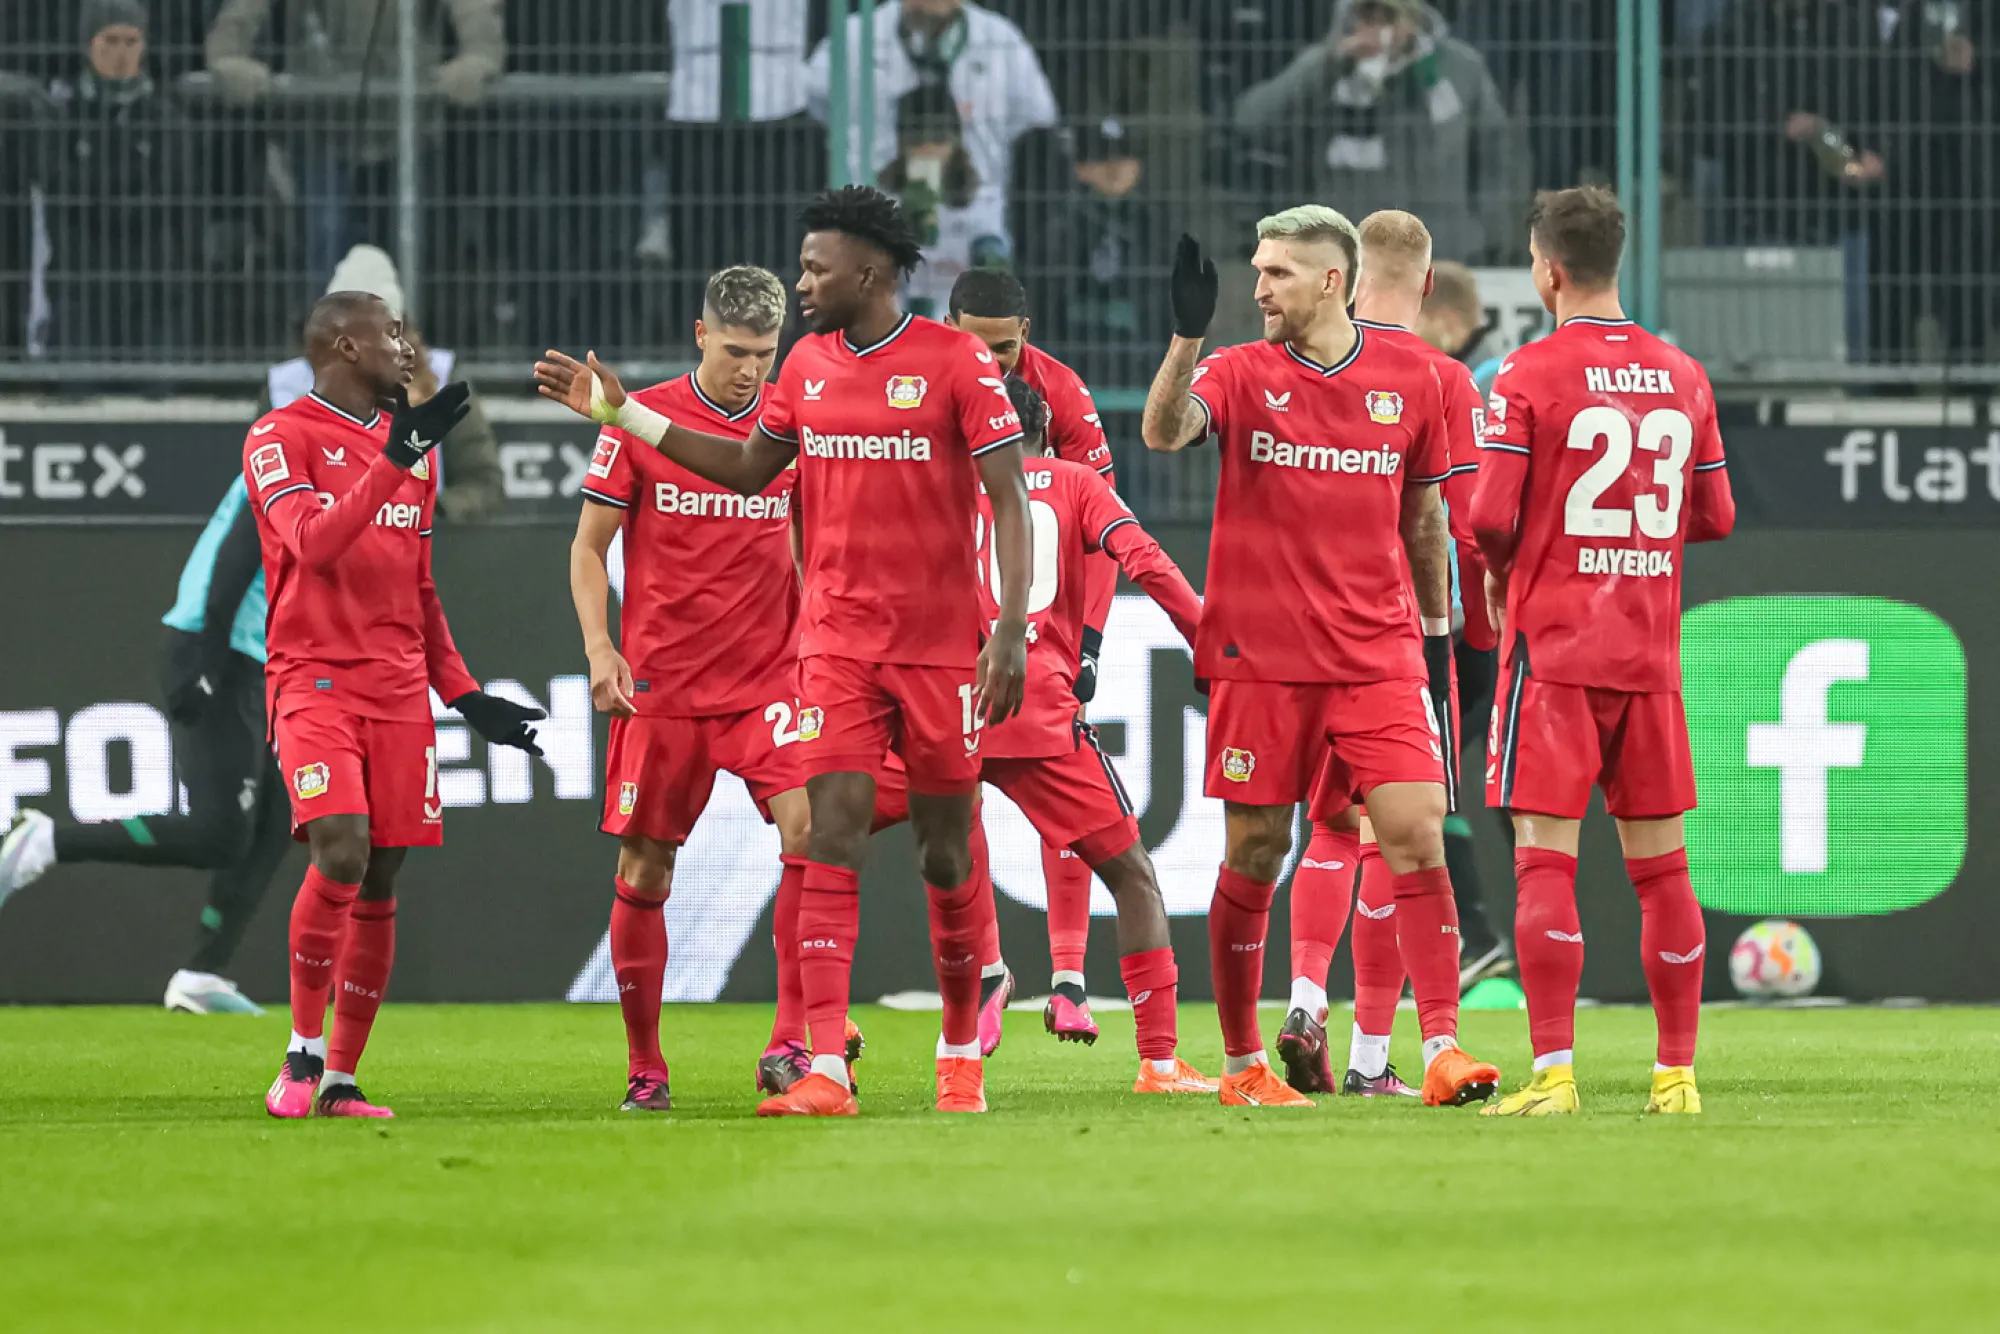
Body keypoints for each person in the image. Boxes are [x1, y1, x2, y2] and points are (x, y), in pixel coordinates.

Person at [535, 186, 1033, 1118]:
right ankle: (818, 1064)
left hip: (918, 652)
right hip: (815, 654)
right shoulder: (807, 368)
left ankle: (961, 1042)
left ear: (868, 273)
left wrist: (1008, 628)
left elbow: (1007, 495)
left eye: (814, 267)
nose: (801, 283)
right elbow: (742, 468)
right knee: (820, 835)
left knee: (945, 851)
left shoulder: (955, 360)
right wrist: (625, 417)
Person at [1140, 208, 1502, 1110]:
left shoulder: (1415, 379)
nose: (1259, 288)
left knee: (1415, 832)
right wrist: (1186, 336)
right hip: (1261, 659)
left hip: (1379, 652)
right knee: (1259, 848)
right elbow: (1165, 431)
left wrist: (1433, 639)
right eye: (1257, 271)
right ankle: (1241, 1064)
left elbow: (1424, 519)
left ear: (1332, 280)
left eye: (1278, 273)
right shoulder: (1239, 369)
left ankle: (1443, 1046)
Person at [1470, 186, 1736, 1117]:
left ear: (1548, 270)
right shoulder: (1684, 374)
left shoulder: (1525, 373)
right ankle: (1676, 1078)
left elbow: (1487, 515)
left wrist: (1508, 569)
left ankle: (1554, 1076)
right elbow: (1716, 515)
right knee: (1663, 871)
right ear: (1613, 262)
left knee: (1545, 861)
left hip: (1554, 654)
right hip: (1647, 660)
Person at [248, 292, 543, 1120]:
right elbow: (314, 543)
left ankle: (340, 1080)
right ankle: (302, 1055)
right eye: (393, 333)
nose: (410, 348)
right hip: (314, 681)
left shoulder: (414, 453)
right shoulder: (278, 437)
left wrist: (467, 696)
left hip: (400, 692)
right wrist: (397, 456)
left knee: (381, 872)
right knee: (341, 849)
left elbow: (419, 589)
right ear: (346, 345)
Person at [1275, 209, 1509, 1099]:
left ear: (1347, 274)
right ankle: (1374, 1057)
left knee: (1330, 827)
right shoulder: (1442, 378)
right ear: (1428, 282)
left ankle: (1306, 998)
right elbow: (1468, 523)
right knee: (1401, 839)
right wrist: (1476, 632)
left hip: (1299, 634)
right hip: (1402, 635)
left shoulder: (1300, 361)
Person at [566, 266, 801, 1112]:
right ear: (701, 335)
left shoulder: (792, 425)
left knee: (813, 835)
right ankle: (646, 1067)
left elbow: (814, 543)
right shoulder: (639, 420)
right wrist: (601, 647)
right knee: (645, 867)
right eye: (736, 351)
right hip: (663, 684)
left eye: (765, 354)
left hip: (770, 680)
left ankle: (791, 1045)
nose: (750, 370)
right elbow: (589, 547)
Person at [967, 377, 1214, 1092]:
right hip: (1040, 711)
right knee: (1133, 876)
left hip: (954, 712)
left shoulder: (947, 490)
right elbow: (1144, 558)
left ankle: (825, 1038)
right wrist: (1205, 636)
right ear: (1046, 426)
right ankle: (1158, 1061)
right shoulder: (1075, 481)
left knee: (827, 852)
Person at [0, 476, 291, 1016]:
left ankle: (202, 974)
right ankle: (46, 841)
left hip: (249, 655)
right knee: (219, 835)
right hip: (215, 649)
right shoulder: (292, 446)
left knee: (276, 818)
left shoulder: (334, 456)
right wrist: (207, 655)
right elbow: (240, 550)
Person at [945, 267, 1117, 1046]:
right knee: (953, 800)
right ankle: (988, 970)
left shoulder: (1062, 395)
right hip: (948, 619)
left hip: (1037, 628)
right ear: (947, 330)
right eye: (975, 349)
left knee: (1061, 794)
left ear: (1028, 334)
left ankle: (1069, 981)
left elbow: (1100, 528)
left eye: (1005, 351)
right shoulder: (915, 386)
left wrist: (1089, 645)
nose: (990, 365)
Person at [204, 0, 505, 294]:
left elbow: (475, 9)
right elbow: (243, 9)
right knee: (326, 245)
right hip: (322, 119)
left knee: (403, 253)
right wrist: (228, 55)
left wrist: (479, 55)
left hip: (406, 124)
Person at [1232, 0, 1522, 264]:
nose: (1378, 28)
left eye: (1388, 17)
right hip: (1348, 248)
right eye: (1367, 16)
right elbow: (1252, 121)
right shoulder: (1326, 65)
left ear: (1412, 19)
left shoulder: (1458, 67)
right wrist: (1328, 64)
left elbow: (1496, 153)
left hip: (1438, 247)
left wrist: (1491, 233)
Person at [807, 0, 1057, 269]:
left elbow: (1037, 125)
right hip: (869, 233)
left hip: (975, 229)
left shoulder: (1002, 42)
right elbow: (813, 113)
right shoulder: (852, 40)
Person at [266, 246, 505, 523]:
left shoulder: (443, 380)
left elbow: (483, 482)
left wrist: (430, 514)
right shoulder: (285, 389)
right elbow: (259, 492)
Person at [32, 0, 193, 383]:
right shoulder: (62, 115)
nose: (121, 53)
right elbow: (59, 189)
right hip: (82, 278)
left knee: (158, 393)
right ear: (88, 44)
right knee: (77, 390)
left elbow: (174, 195)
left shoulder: (166, 116)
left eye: (131, 41)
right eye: (110, 40)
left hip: (153, 280)